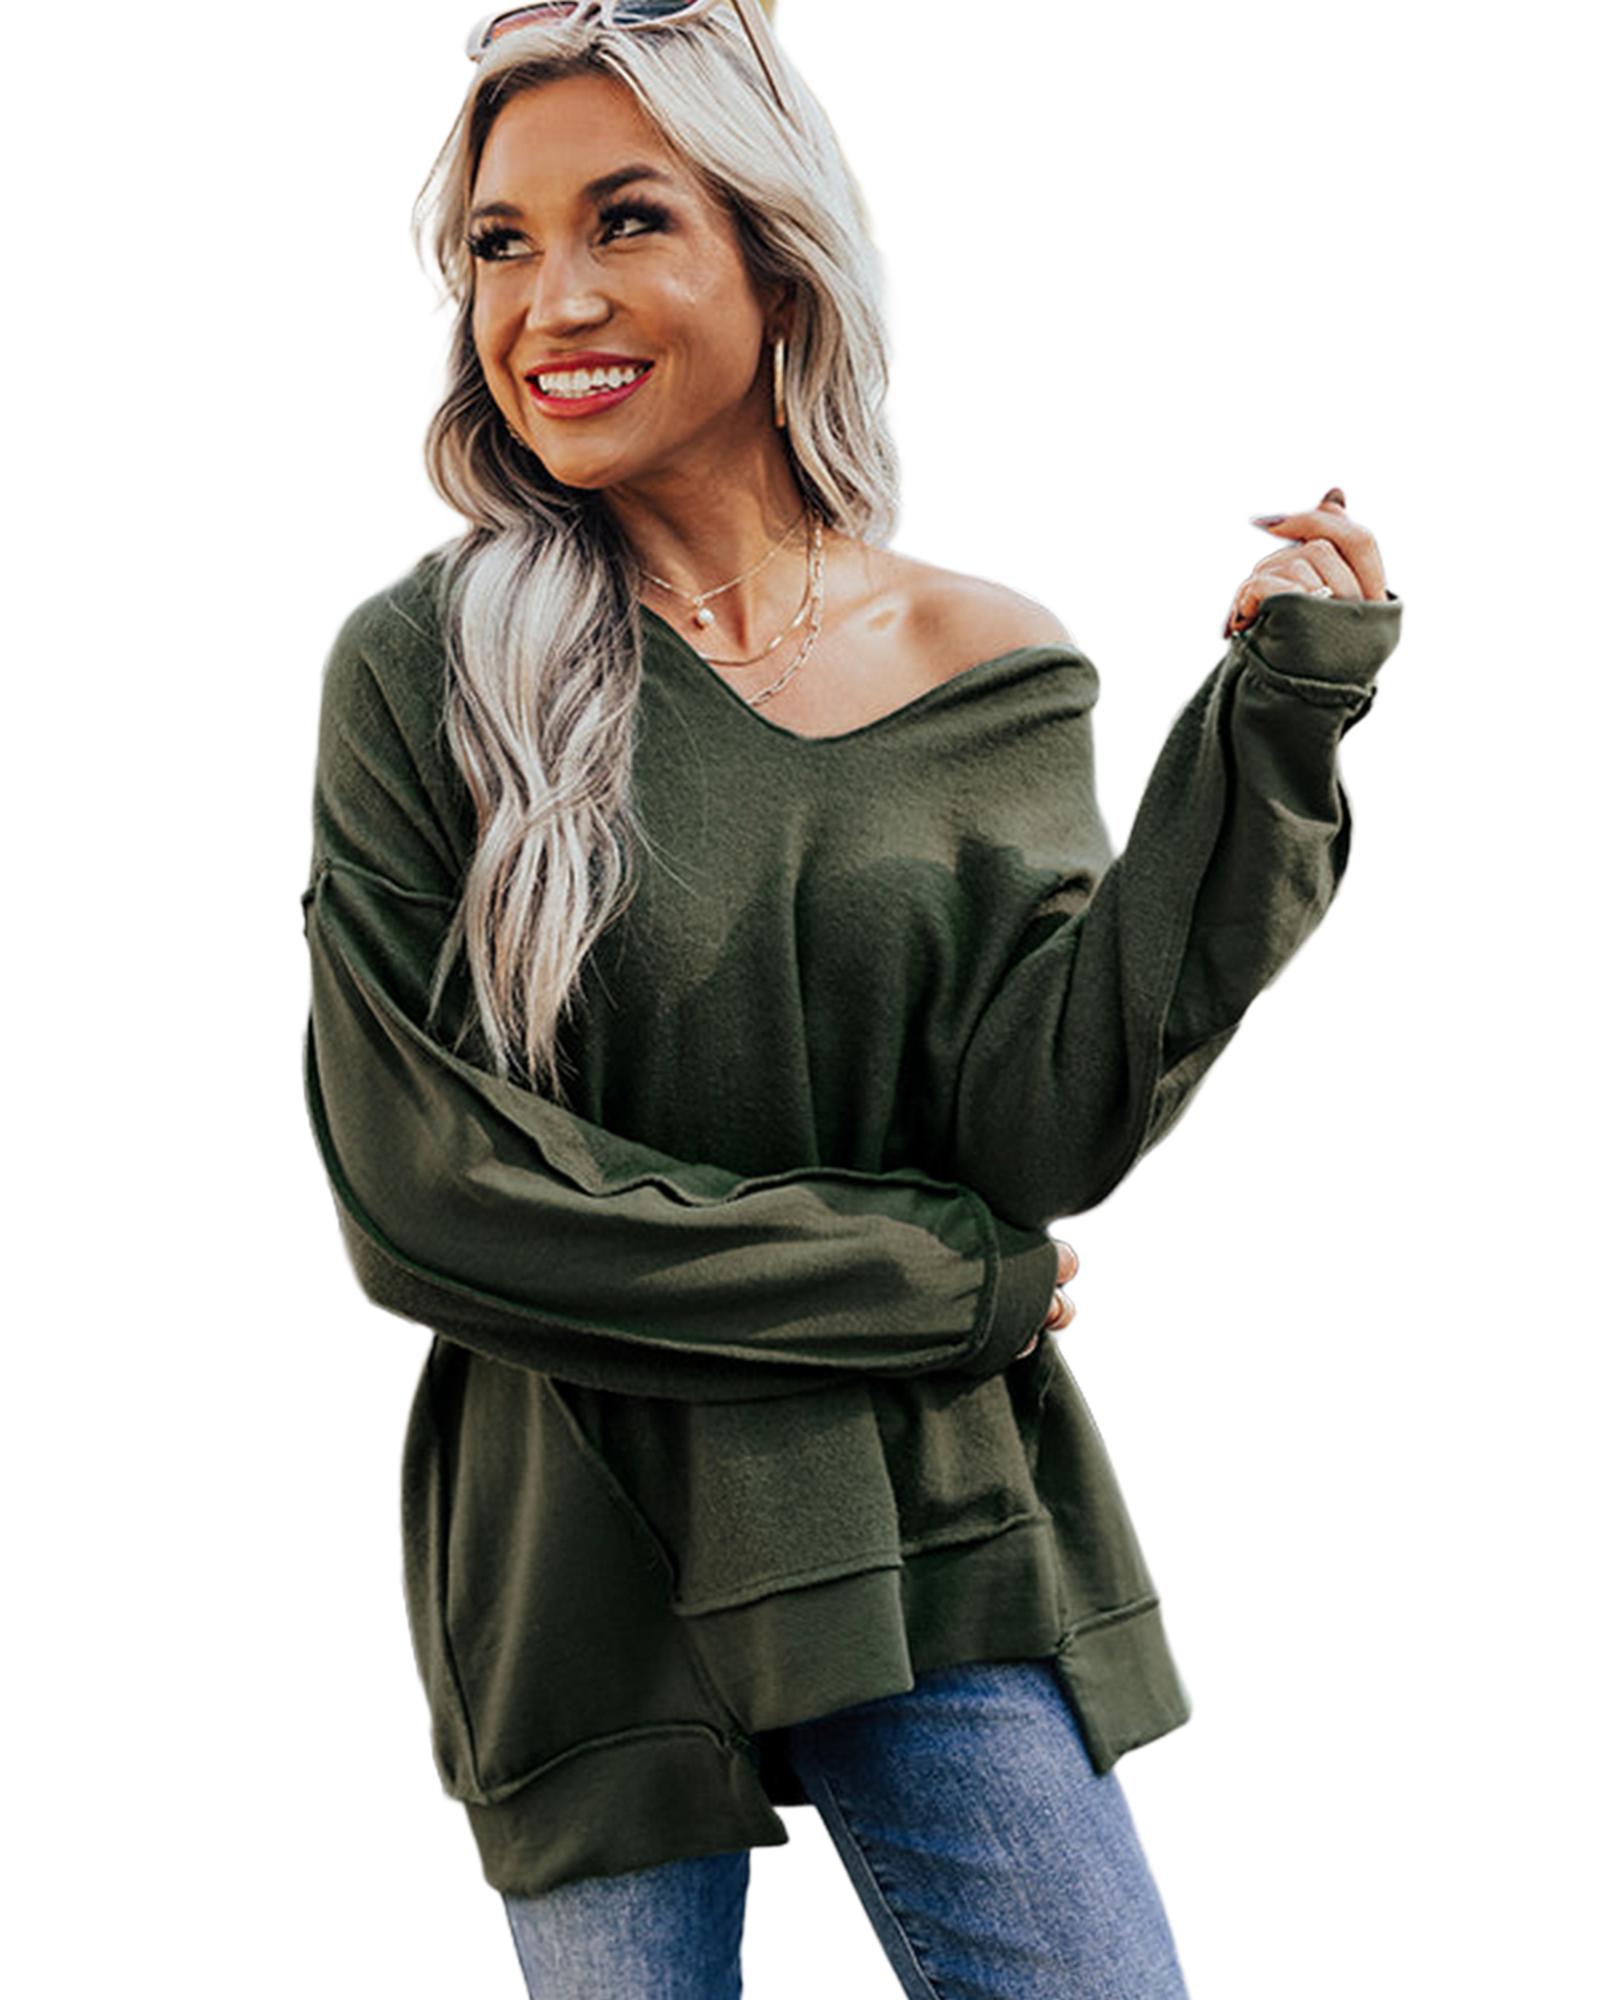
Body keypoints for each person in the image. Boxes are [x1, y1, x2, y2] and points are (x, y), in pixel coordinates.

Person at [298, 3, 1402, 1993]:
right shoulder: (434, 668)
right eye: (497, 244)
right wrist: (936, 1283)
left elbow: (1038, 1130)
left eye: (626, 219)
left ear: (776, 251)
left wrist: (1271, 735)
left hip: (929, 1522)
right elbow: (426, 1190)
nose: (549, 302)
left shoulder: (985, 663)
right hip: (583, 1554)